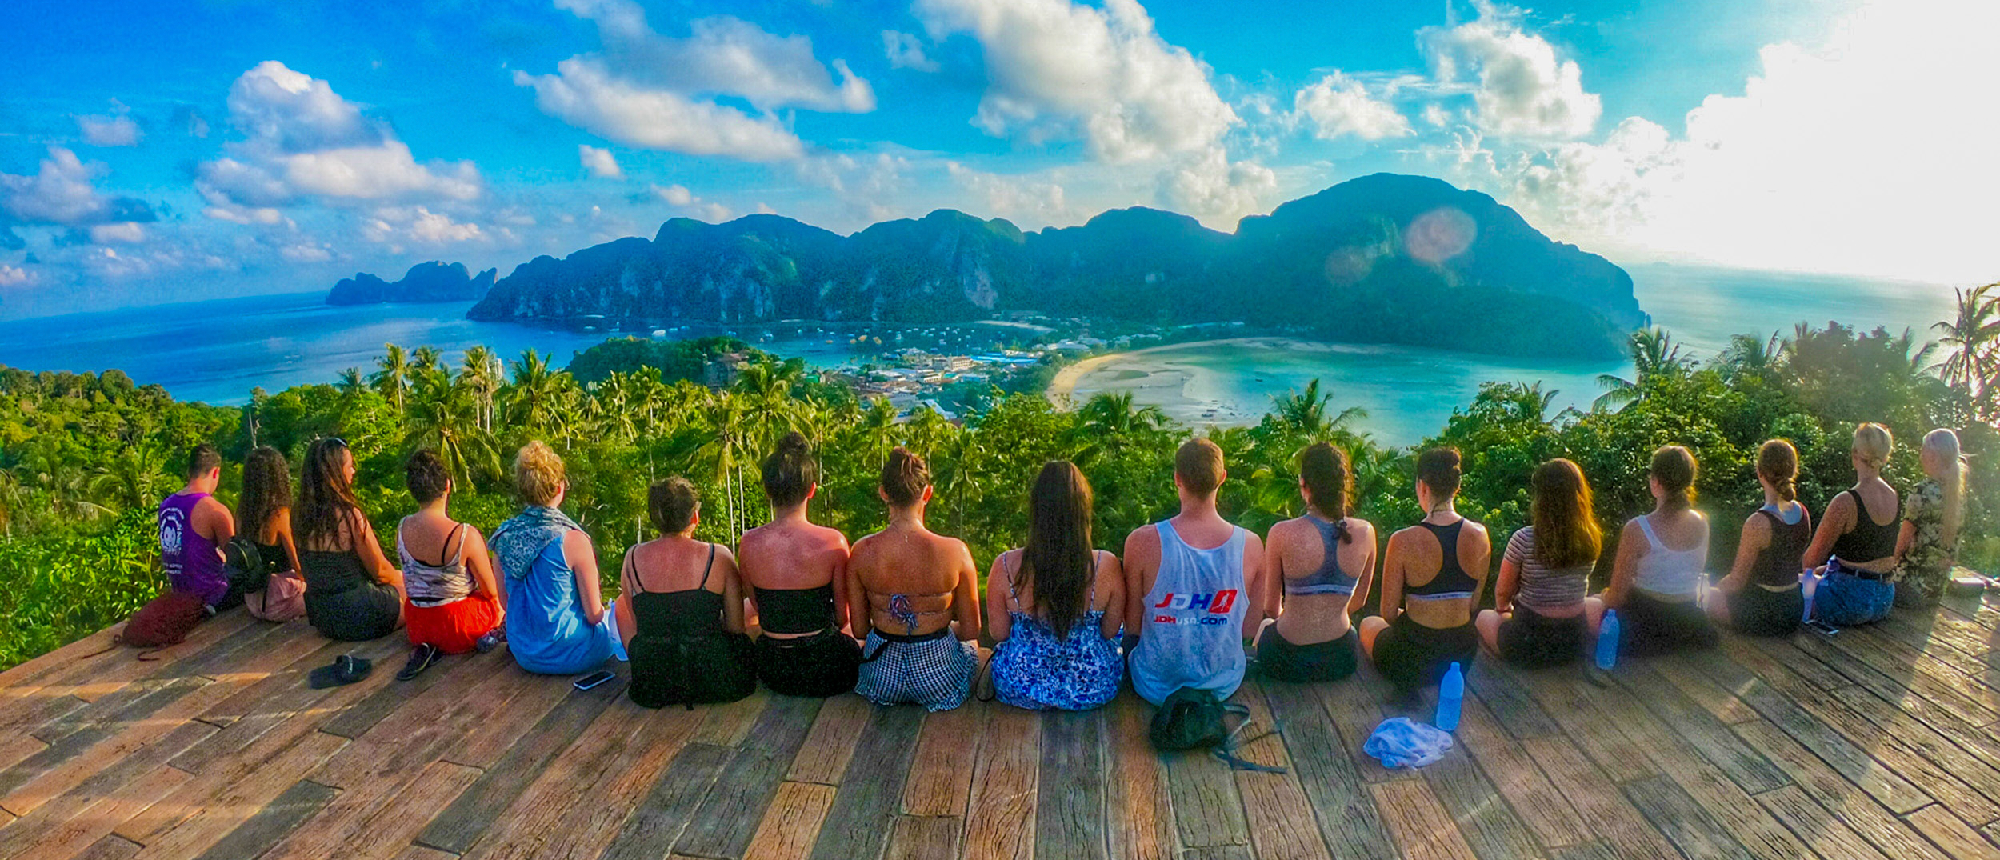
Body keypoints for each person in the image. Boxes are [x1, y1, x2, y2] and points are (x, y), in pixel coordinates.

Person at [1126, 438, 1265, 707]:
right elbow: (1249, 626)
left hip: (1155, 685)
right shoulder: (1250, 545)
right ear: (1222, 478)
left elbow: (1133, 626)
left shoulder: (1141, 542)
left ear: (1177, 478)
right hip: (1221, 683)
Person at [848, 447, 983, 710]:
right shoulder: (956, 551)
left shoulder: (862, 552)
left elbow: (860, 630)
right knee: (973, 647)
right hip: (939, 678)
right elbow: (971, 630)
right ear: (927, 493)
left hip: (881, 676)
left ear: (883, 493)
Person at [986, 461, 1126, 710]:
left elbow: (999, 633)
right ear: (1083, 510)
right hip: (1093, 687)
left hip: (1020, 685)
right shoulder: (1107, 565)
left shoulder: (1005, 566)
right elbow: (1109, 631)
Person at [614, 477, 757, 708]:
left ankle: (647, 663)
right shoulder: (718, 556)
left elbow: (639, 624)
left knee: (620, 603)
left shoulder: (632, 557)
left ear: (654, 519)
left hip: (654, 683)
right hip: (712, 676)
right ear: (694, 517)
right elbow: (735, 627)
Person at [738, 432, 861, 698]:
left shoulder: (748, 543)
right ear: (812, 490)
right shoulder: (833, 542)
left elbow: (760, 606)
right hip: (826, 667)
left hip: (774, 666)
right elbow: (843, 618)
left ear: (767, 490)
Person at [1362, 448, 1489, 696]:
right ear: (1457, 487)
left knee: (1369, 623)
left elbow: (1387, 614)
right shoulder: (1480, 535)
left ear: (1422, 487)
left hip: (1412, 660)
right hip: (1461, 658)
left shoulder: (1403, 540)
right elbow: (1472, 604)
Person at [489, 441, 619, 675]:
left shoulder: (504, 536)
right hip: (574, 653)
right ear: (560, 489)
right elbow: (593, 614)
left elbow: (506, 602)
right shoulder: (574, 540)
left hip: (525, 652)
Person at [1256, 443, 1374, 682]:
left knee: (1265, 625)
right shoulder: (1366, 532)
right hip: (1341, 658)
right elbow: (1359, 601)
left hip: (1286, 660)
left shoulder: (1281, 533)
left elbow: (1271, 607)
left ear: (1304, 484)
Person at [1477, 458, 1605, 667]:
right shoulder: (1590, 536)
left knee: (1483, 617)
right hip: (1574, 642)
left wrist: (1504, 611)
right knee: (1595, 602)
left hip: (1528, 643)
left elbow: (1502, 593)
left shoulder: (1524, 539)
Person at [395, 450, 504, 678]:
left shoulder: (403, 527)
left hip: (417, 625)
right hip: (457, 625)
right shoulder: (464, 534)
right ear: (447, 485)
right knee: (498, 603)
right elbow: (491, 591)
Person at [1603, 446, 1719, 656]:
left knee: (1594, 606)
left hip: (1646, 623)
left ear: (1655, 481)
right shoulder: (1703, 522)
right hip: (1688, 622)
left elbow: (1616, 598)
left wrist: (1602, 597)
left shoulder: (1636, 529)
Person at [296, 437, 405, 641]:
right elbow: (381, 572)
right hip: (358, 613)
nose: (353, 471)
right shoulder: (349, 515)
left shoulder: (299, 514)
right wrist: (405, 581)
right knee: (416, 594)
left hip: (323, 617)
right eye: (350, 466)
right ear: (335, 473)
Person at [1708, 440, 1812, 636]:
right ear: (1794, 471)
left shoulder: (1758, 522)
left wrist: (1712, 589)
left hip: (1761, 613)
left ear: (1760, 473)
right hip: (1792, 610)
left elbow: (1736, 582)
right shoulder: (1803, 514)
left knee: (1705, 597)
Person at [1804, 423, 1900, 626]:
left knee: (1783, 591)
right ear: (1884, 457)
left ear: (1855, 454)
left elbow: (1810, 561)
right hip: (1884, 599)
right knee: (1824, 570)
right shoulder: (1893, 495)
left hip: (1848, 601)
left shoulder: (1846, 502)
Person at [1892, 428, 1969, 607]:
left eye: (1923, 451)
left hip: (1907, 586)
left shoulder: (1922, 491)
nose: (1921, 457)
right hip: (1935, 592)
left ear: (1933, 456)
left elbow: (1901, 545)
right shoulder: (1959, 497)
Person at [158, 444, 236, 609]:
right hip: (212, 598)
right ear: (215, 472)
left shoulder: (166, 505)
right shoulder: (215, 510)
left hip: (180, 593)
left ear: (190, 470)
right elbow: (236, 562)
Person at [237, 445, 307, 622]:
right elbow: (298, 566)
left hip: (253, 599)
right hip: (279, 599)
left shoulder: (242, 511)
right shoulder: (279, 514)